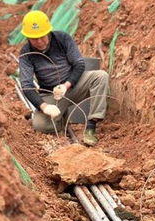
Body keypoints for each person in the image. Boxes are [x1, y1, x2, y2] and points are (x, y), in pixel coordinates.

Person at [18, 10, 109, 146]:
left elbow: (79, 64)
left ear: (48, 32)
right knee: (40, 125)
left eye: (43, 36)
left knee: (100, 76)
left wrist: (66, 85)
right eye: (34, 39)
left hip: (72, 85)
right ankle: (61, 119)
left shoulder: (62, 39)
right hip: (52, 95)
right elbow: (26, 85)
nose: (40, 41)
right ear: (27, 38)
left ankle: (91, 127)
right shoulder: (26, 53)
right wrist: (44, 106)